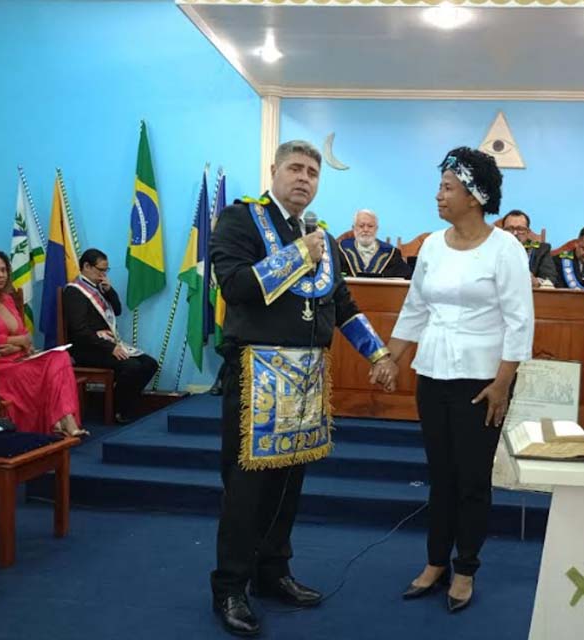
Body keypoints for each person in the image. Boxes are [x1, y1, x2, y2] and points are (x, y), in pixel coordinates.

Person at [208, 140, 393, 637]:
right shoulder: (239, 220)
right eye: (295, 168)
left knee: (289, 488)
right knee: (246, 491)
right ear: (273, 170)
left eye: (313, 171)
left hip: (308, 380)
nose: (304, 178)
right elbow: (235, 286)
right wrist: (296, 254)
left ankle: (273, 572)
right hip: (257, 376)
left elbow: (344, 304)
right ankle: (230, 587)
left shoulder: (325, 239)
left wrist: (378, 353)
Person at [378, 147, 534, 614]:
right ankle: (434, 562)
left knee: (471, 481)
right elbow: (416, 308)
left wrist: (503, 385)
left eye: (448, 187)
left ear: (475, 196)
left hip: (482, 384)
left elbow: (519, 321)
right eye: (440, 186)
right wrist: (392, 358)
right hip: (434, 376)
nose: (439, 195)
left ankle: (465, 568)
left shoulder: (505, 248)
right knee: (440, 478)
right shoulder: (430, 245)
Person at [0, 249, 86, 437]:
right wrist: (17, 342)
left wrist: (16, 345)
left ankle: (66, 419)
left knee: (60, 356)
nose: (1, 275)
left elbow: (25, 336)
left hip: (18, 358)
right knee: (51, 367)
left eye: (3, 270)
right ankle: (61, 423)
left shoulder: (7, 299)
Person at [62, 249, 158, 424]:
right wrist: (111, 347)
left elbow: (118, 311)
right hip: (87, 349)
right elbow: (80, 331)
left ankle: (124, 403)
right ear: (86, 266)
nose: (103, 274)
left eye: (106, 270)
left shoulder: (97, 289)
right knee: (132, 366)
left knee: (150, 364)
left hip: (106, 344)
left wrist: (109, 290)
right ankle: (119, 410)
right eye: (100, 270)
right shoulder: (74, 292)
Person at [337, 209, 412, 279]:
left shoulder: (392, 253)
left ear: (376, 229)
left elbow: (406, 279)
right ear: (353, 228)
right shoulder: (340, 250)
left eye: (370, 226)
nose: (366, 230)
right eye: (361, 226)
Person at [501, 209, 559, 288]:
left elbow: (550, 279)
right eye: (509, 229)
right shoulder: (492, 249)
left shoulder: (541, 250)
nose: (514, 233)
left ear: (528, 232)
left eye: (520, 229)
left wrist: (536, 282)